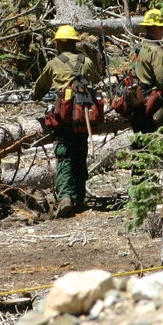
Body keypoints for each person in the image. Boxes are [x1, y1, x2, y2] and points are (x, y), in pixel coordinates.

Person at [32, 25, 103, 218]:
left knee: (64, 156)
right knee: (80, 155)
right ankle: (79, 197)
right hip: (82, 117)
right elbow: (96, 80)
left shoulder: (55, 63)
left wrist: (36, 96)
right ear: (74, 42)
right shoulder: (87, 61)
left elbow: (40, 88)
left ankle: (64, 197)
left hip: (63, 118)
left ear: (60, 44)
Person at [128, 8, 163, 134]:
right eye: (162, 28)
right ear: (156, 28)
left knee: (140, 143)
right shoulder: (156, 51)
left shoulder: (137, 48)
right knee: (157, 141)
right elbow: (162, 79)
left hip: (136, 102)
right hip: (152, 104)